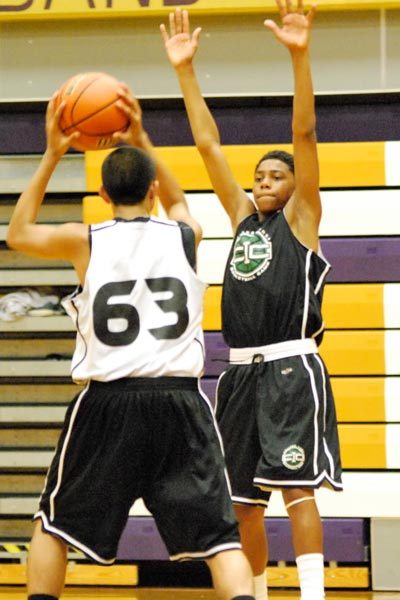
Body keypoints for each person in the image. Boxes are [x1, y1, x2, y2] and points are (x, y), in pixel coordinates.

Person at [6, 87, 256, 600]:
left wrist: (52, 153)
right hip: (180, 402)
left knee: (53, 525)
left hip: (108, 403)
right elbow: (180, 201)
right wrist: (142, 136)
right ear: (153, 188)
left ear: (102, 195)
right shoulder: (185, 233)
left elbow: (18, 233)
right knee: (221, 539)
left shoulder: (85, 239)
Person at [161, 2, 343, 599]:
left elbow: (304, 135)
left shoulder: (302, 219)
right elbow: (207, 144)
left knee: (298, 491)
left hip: (291, 368)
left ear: (295, 187)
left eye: (276, 177)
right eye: (259, 176)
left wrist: (300, 56)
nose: (264, 182)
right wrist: (185, 71)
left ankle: (312, 596)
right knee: (242, 505)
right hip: (239, 376)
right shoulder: (243, 219)